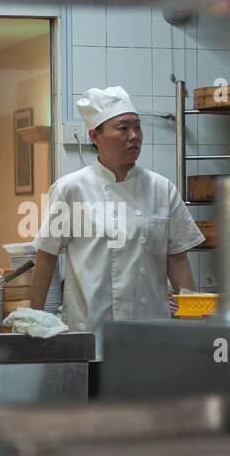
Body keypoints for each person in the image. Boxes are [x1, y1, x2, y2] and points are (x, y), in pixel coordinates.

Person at [28, 86, 205, 336]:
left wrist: (196, 326)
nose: (134, 136)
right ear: (95, 136)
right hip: (90, 331)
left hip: (151, 331)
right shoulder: (71, 189)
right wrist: (34, 319)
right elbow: (46, 257)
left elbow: (177, 260)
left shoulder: (162, 189)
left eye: (137, 127)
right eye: (123, 128)